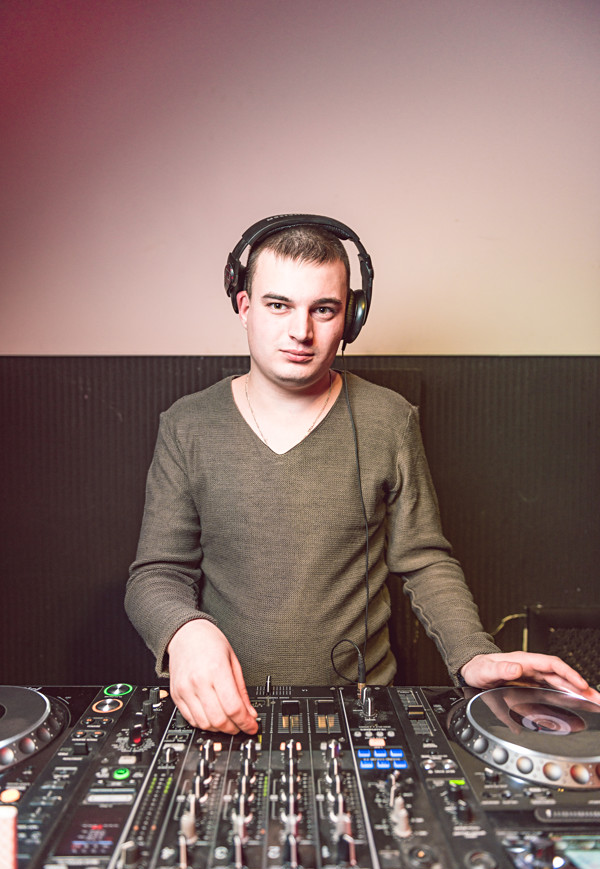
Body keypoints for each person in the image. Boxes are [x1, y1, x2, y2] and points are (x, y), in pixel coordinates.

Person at [125, 214, 599, 736]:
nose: (301, 331)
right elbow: (156, 574)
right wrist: (185, 631)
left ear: (350, 317)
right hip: (226, 709)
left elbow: (423, 560)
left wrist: (473, 653)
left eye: (323, 309)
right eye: (278, 305)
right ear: (244, 307)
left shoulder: (388, 419)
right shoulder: (188, 423)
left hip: (360, 711)